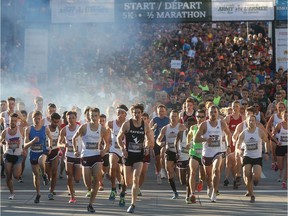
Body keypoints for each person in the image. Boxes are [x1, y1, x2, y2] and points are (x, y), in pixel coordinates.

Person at [117, 104, 154, 213]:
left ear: (142, 113)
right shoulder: (127, 124)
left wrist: (147, 146)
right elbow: (119, 138)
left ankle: (133, 204)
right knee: (127, 182)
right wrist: (123, 149)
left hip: (139, 156)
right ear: (131, 113)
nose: (136, 115)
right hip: (128, 155)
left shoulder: (145, 125)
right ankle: (123, 192)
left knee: (135, 178)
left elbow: (150, 138)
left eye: (138, 113)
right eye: (134, 113)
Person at [72, 107, 109, 213]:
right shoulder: (84, 127)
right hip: (85, 156)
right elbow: (74, 138)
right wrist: (75, 150)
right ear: (89, 116)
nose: (93, 118)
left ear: (99, 116)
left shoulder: (102, 129)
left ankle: (91, 204)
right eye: (91, 115)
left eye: (95, 115)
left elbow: (107, 143)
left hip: (97, 156)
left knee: (97, 179)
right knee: (88, 183)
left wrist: (104, 150)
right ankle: (90, 189)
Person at [194, 105, 231, 202]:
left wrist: (228, 146)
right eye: (211, 112)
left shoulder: (221, 123)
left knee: (216, 170)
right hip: (207, 153)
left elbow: (228, 134)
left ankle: (214, 191)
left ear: (218, 113)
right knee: (208, 175)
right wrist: (206, 139)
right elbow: (196, 139)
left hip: (218, 151)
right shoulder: (204, 125)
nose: (213, 114)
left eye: (215, 112)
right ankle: (209, 187)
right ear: (207, 113)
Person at [235, 115, 269, 202]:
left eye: (253, 120)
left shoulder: (259, 131)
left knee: (256, 176)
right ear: (247, 122)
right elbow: (238, 145)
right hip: (247, 156)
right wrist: (239, 151)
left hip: (257, 157)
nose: (251, 122)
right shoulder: (243, 133)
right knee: (247, 174)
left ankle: (256, 181)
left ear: (255, 122)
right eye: (249, 121)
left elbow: (266, 141)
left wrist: (266, 152)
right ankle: (252, 194)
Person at [157, 109, 186, 199]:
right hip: (169, 151)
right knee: (169, 170)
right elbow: (158, 139)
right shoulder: (165, 128)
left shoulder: (182, 127)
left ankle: (188, 189)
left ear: (178, 117)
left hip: (180, 152)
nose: (173, 118)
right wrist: (160, 143)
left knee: (181, 175)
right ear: (169, 117)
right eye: (172, 116)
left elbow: (188, 137)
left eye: (175, 116)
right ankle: (174, 191)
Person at [24, 111, 52, 203]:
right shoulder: (28, 129)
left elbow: (51, 138)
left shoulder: (45, 129)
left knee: (41, 161)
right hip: (33, 154)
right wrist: (32, 141)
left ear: (41, 119)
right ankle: (38, 194)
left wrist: (50, 147)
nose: (37, 120)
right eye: (35, 119)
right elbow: (25, 145)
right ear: (32, 119)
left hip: (43, 152)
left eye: (39, 118)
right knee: (36, 176)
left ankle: (44, 174)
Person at [58, 111, 82, 203]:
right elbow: (59, 143)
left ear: (76, 119)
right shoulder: (64, 130)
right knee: (69, 176)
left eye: (73, 118)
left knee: (77, 178)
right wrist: (64, 145)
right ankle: (72, 196)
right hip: (69, 155)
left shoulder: (80, 128)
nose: (71, 120)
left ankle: (73, 191)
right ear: (66, 119)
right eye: (69, 118)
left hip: (78, 156)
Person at [107, 104, 128, 203]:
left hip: (124, 151)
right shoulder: (111, 124)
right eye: (118, 112)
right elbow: (105, 135)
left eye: (122, 113)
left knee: (124, 175)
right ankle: (113, 189)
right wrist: (105, 144)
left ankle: (122, 188)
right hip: (114, 150)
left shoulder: (128, 125)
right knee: (112, 166)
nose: (120, 114)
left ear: (125, 114)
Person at [0, 113, 25, 199]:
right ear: (9, 121)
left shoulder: (21, 130)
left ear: (17, 121)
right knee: (8, 175)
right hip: (8, 154)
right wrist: (2, 143)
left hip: (18, 156)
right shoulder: (5, 132)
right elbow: (0, 141)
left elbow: (26, 139)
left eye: (15, 121)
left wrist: (24, 149)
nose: (13, 122)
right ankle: (11, 193)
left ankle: (18, 175)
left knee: (16, 176)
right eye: (11, 121)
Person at [223, 101, 245, 189]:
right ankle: (227, 178)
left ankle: (236, 178)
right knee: (229, 161)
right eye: (233, 106)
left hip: (239, 143)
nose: (235, 108)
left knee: (236, 162)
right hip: (230, 142)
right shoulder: (228, 118)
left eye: (236, 106)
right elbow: (222, 129)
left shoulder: (243, 118)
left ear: (239, 108)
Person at [186, 109, 206, 203]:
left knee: (203, 176)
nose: (199, 118)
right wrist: (188, 143)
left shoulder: (207, 127)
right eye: (198, 116)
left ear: (205, 117)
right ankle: (192, 193)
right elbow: (189, 136)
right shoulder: (193, 127)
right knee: (192, 172)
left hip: (204, 153)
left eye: (202, 117)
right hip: (194, 152)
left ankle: (201, 181)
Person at [149, 104, 170, 184]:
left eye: (162, 111)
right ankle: (159, 172)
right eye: (160, 111)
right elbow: (148, 130)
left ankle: (163, 170)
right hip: (156, 141)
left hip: (166, 141)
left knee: (163, 156)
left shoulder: (168, 120)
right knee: (157, 159)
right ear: (157, 112)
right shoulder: (154, 120)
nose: (161, 112)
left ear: (165, 112)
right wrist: (153, 128)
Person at [266, 101, 286, 172]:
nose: (280, 109)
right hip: (275, 137)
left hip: (284, 139)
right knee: (274, 152)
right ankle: (274, 163)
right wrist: (270, 134)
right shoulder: (274, 116)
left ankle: (280, 165)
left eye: (282, 107)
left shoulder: (286, 116)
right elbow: (267, 127)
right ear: (277, 108)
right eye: (279, 107)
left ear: (285, 108)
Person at [45, 112, 61, 200]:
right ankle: (47, 179)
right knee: (48, 173)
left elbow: (61, 139)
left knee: (55, 173)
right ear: (51, 120)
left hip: (55, 151)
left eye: (57, 122)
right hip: (46, 152)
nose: (55, 124)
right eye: (54, 122)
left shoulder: (58, 128)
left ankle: (51, 191)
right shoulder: (45, 128)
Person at [272, 110, 288, 189]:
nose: (286, 117)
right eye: (284, 116)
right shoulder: (279, 125)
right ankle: (280, 172)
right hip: (280, 147)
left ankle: (284, 181)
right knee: (281, 166)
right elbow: (273, 136)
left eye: (287, 116)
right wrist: (277, 142)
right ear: (282, 116)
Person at [138, 112, 153, 197]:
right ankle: (134, 186)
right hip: (136, 152)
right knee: (136, 172)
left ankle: (138, 188)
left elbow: (152, 143)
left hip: (145, 152)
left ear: (148, 120)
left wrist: (147, 147)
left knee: (143, 173)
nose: (143, 120)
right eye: (142, 119)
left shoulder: (149, 129)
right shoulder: (135, 127)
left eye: (145, 119)